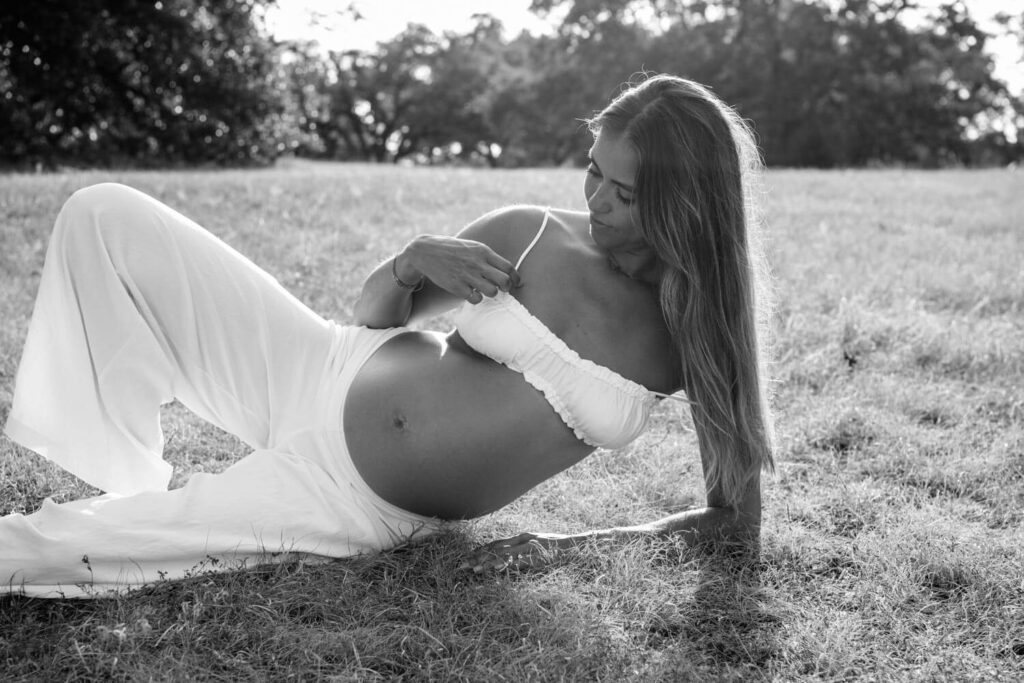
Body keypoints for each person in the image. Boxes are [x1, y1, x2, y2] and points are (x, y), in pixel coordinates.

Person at [0, 74, 773, 598]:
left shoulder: (691, 335)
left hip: (348, 500)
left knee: (60, 548)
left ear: (682, 205)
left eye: (625, 192)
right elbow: (373, 316)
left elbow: (731, 523)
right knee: (105, 216)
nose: (596, 199)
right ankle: (127, 470)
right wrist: (408, 264)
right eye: (593, 170)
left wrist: (559, 546)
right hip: (321, 366)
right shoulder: (534, 233)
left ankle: (129, 507)